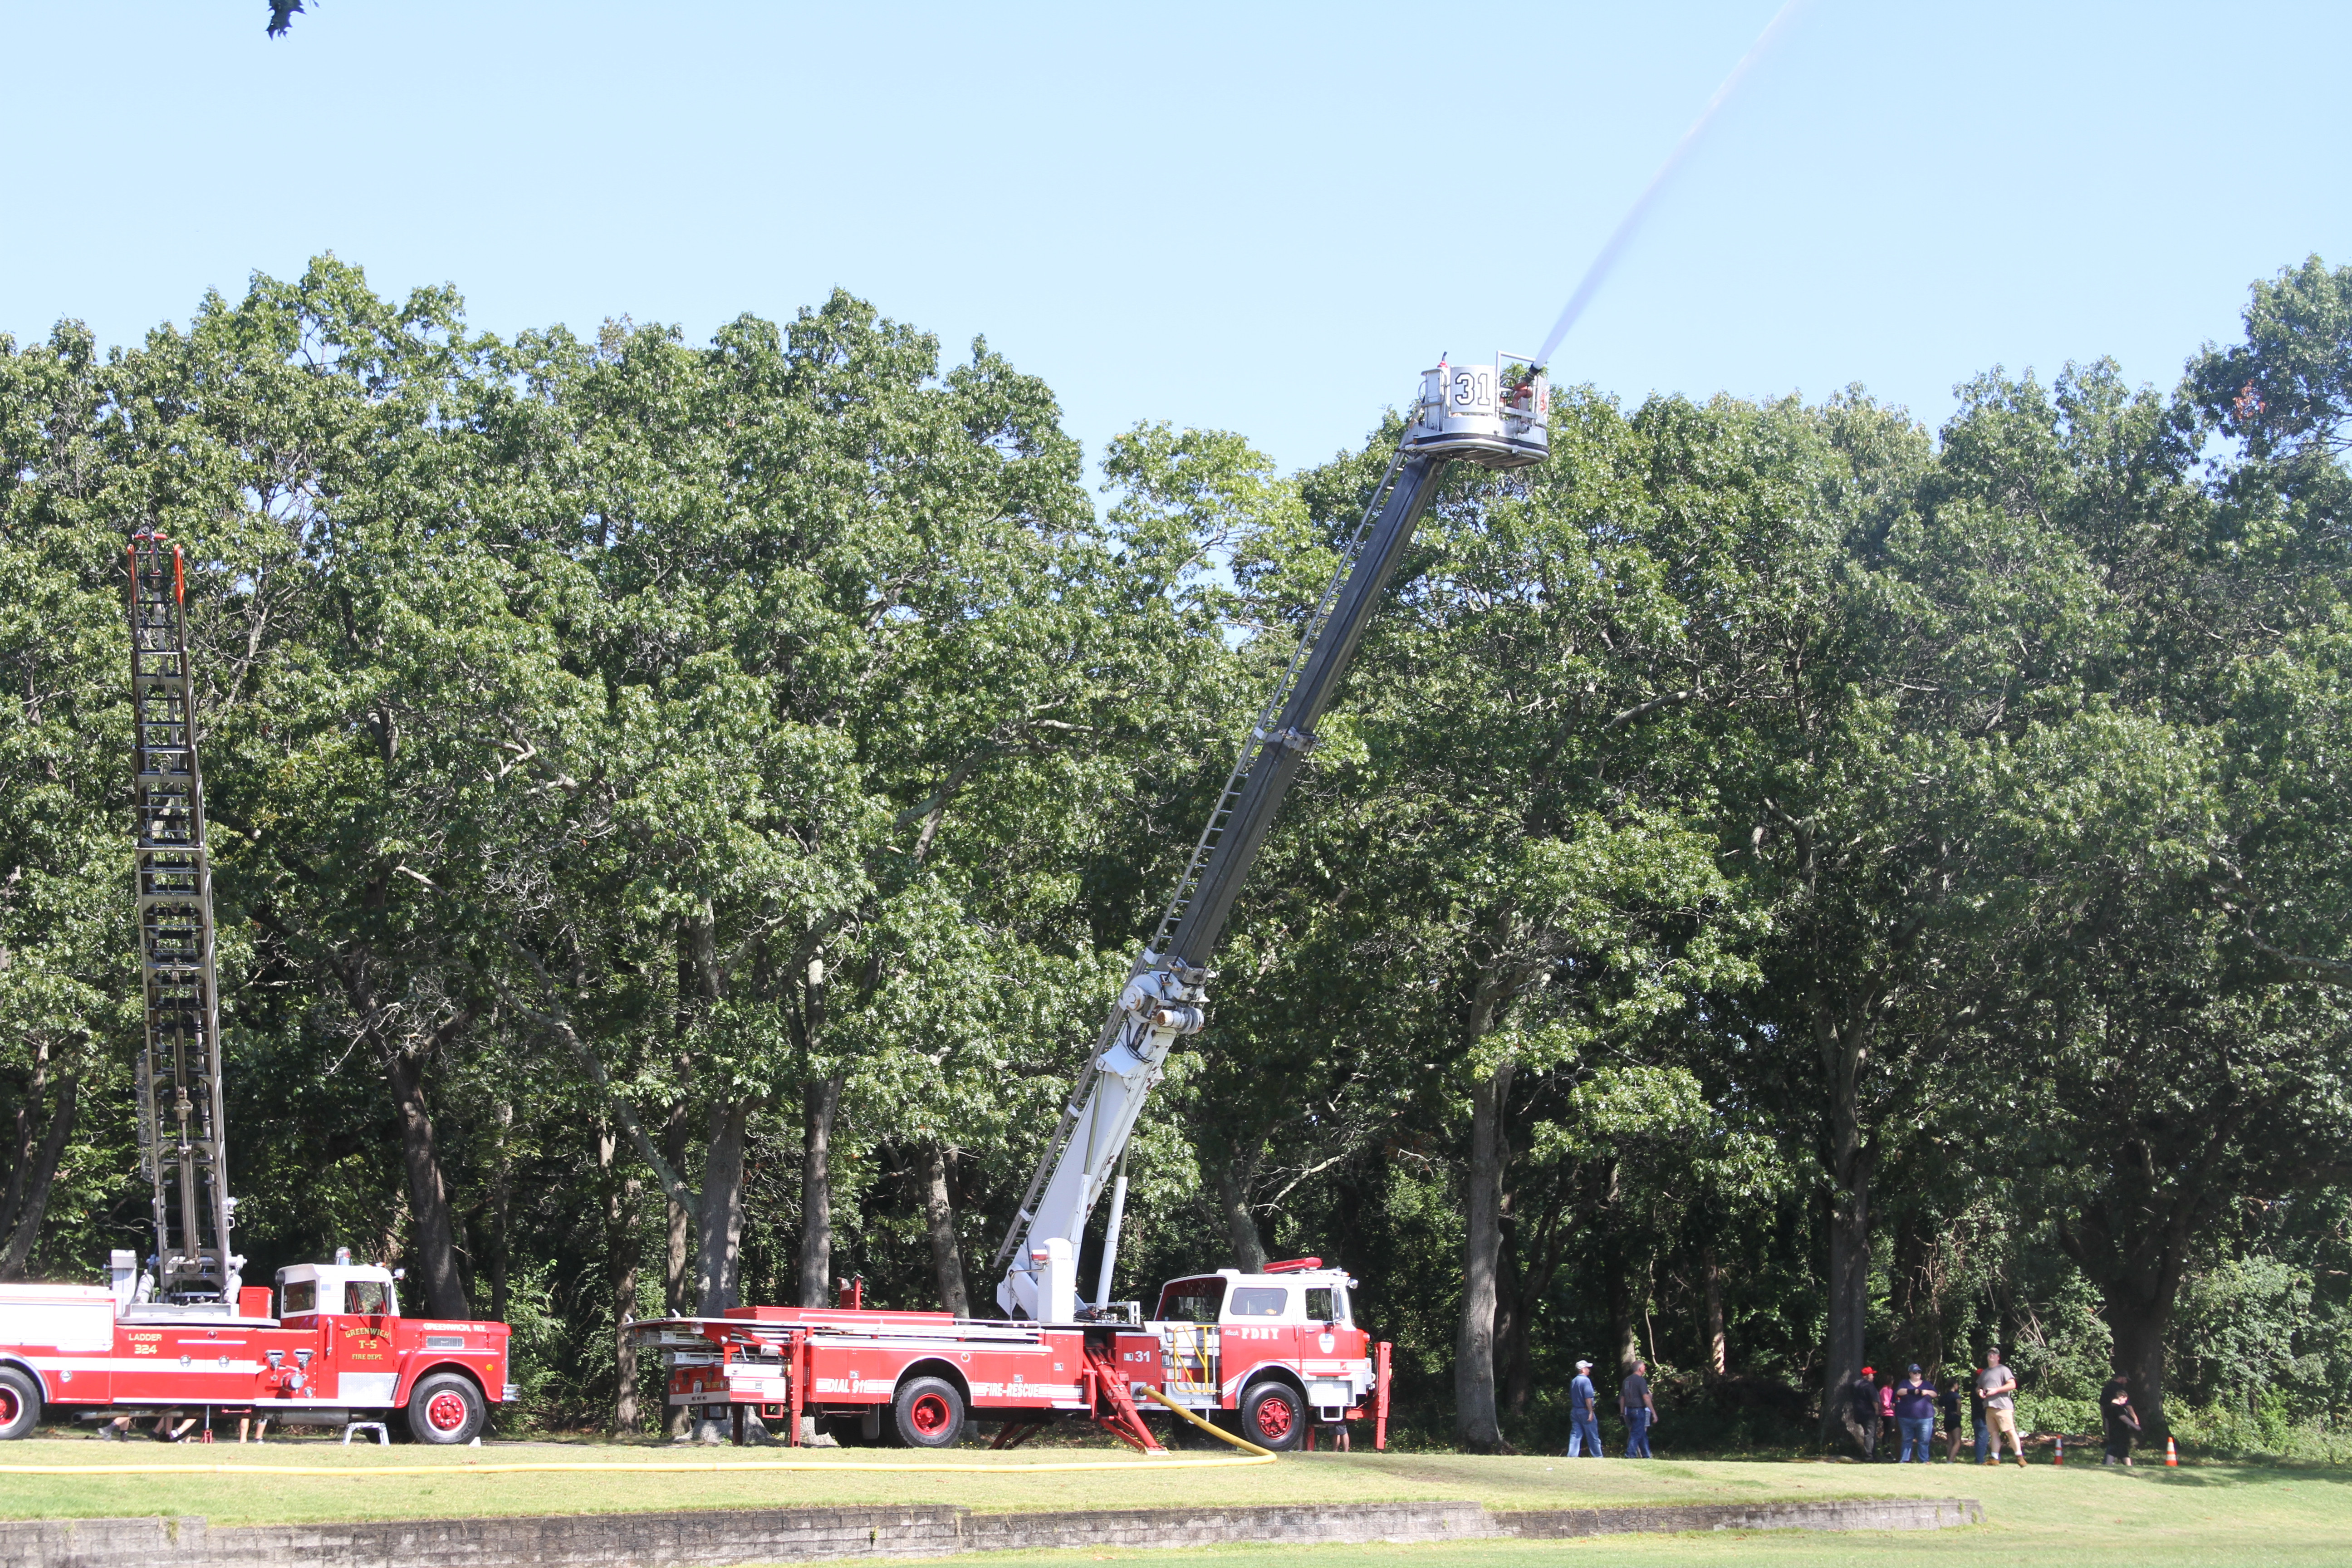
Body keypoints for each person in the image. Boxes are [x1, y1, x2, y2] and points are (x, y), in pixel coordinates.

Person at [1977, 1350, 2025, 1467]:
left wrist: (1996, 1390)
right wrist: (1979, 1391)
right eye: (1989, 1354)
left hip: (2003, 1407)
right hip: (1989, 1407)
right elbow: (1979, 1386)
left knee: (2010, 1431)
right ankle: (1994, 1458)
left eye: (1994, 1354)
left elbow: (2013, 1385)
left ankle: (2020, 1457)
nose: (1991, 1356)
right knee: (1993, 1433)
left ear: (1999, 1357)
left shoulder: (2003, 1370)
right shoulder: (1985, 1373)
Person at [1893, 1364, 1936, 1463]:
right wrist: (1912, 1391)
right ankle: (1905, 1460)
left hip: (1925, 1418)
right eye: (1915, 1373)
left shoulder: (1927, 1384)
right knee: (1907, 1439)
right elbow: (1899, 1392)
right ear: (1910, 1374)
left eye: (1919, 1372)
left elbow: (1935, 1394)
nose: (1917, 1375)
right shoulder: (1904, 1383)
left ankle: (1924, 1460)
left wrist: (1926, 1392)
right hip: (1906, 1417)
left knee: (1924, 1440)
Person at [2100, 1374, 2141, 1466]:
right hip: (2119, 1432)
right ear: (2121, 1397)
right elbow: (2123, 1418)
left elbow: (2107, 1420)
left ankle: (2129, 1467)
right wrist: (2135, 1426)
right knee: (2114, 1449)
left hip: (2113, 1431)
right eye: (2125, 1400)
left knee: (2123, 1451)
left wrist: (2107, 1432)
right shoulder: (2118, 1409)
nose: (2125, 1403)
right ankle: (2108, 1465)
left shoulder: (2108, 1408)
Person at [1566, 1359, 1603, 1457]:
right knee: (1593, 1436)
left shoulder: (1574, 1381)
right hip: (1585, 1411)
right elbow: (1588, 1398)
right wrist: (1591, 1412)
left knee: (1575, 1435)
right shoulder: (1586, 1381)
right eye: (1587, 1368)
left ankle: (1572, 1456)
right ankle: (1598, 1456)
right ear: (1583, 1370)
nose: (1589, 1370)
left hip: (1575, 1411)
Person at [1621, 1360, 1656, 1458]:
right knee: (1636, 1433)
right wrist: (1653, 1412)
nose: (1645, 1369)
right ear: (1640, 1369)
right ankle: (1630, 1454)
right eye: (1644, 1367)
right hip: (1639, 1410)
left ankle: (1646, 1455)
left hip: (1629, 1410)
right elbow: (1646, 1397)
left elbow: (1622, 1397)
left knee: (1641, 1434)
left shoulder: (1626, 1381)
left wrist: (1622, 1412)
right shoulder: (1641, 1381)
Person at [1843, 1365, 1881, 1459]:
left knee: (1868, 1433)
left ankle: (1872, 1454)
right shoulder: (1869, 1386)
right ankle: (1869, 1455)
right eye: (1872, 1375)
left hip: (1859, 1413)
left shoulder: (1855, 1385)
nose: (1873, 1376)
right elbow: (1875, 1400)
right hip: (1869, 1413)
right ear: (1867, 1376)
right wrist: (1877, 1410)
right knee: (1870, 1434)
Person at [1940, 1373, 1967, 1462]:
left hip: (1947, 1419)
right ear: (1955, 1385)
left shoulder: (1945, 1396)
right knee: (1958, 1442)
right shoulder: (1955, 1395)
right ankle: (1951, 1461)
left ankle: (1949, 1459)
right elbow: (1959, 1403)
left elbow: (1938, 1405)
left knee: (1950, 1442)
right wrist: (1958, 1412)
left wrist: (1944, 1412)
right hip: (1955, 1419)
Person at [1877, 1376, 1897, 1458]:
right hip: (1887, 1414)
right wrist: (1893, 1408)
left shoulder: (1890, 1390)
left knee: (1889, 1433)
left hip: (1891, 1414)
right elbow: (1886, 1403)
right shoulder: (1885, 1390)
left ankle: (1888, 1450)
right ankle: (1887, 1451)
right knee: (1887, 1433)